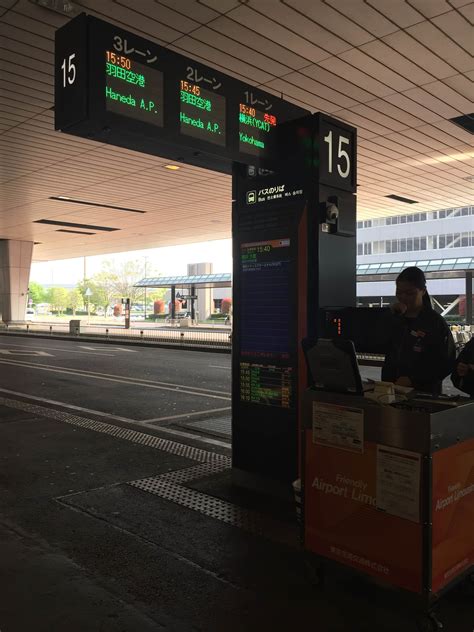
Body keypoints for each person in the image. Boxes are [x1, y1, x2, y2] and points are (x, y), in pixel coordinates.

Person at [381, 266, 455, 394]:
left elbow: (446, 362)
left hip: (423, 393)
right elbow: (377, 343)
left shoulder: (434, 322)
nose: (403, 297)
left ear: (423, 291)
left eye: (410, 293)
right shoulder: (395, 318)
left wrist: (414, 380)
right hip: (390, 389)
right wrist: (387, 317)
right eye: (399, 292)